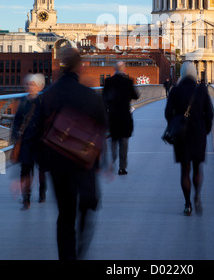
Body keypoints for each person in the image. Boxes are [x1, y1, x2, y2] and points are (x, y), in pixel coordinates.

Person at [38, 47, 108, 260]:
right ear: (79, 67)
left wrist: (40, 165)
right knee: (87, 205)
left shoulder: (48, 94)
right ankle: (80, 249)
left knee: (65, 215)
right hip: (83, 160)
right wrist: (103, 161)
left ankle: (67, 257)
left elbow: (38, 130)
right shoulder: (89, 95)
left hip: (57, 162)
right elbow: (103, 126)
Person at [164, 61, 213, 216]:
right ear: (195, 74)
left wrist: (175, 124)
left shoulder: (175, 90)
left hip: (181, 135)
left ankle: (187, 204)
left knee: (184, 170)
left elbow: (167, 113)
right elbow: (209, 114)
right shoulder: (201, 90)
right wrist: (205, 130)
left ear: (182, 74)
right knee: (197, 168)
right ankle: (197, 195)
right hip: (198, 134)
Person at [11, 73, 47, 210]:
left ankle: (42, 191)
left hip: (40, 141)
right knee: (25, 169)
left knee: (41, 169)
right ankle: (26, 198)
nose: (30, 87)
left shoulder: (43, 101)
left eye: (33, 85)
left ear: (39, 87)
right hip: (26, 140)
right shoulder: (23, 101)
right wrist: (16, 135)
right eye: (28, 85)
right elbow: (17, 120)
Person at [102, 61, 139, 175]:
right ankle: (122, 168)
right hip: (125, 117)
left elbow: (104, 98)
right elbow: (135, 96)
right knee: (124, 142)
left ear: (114, 69)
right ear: (124, 70)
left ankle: (112, 162)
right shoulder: (128, 81)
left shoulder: (108, 82)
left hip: (112, 116)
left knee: (113, 140)